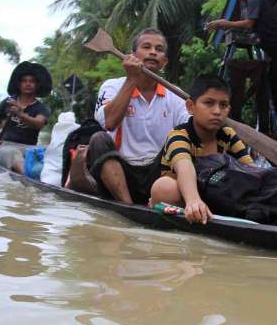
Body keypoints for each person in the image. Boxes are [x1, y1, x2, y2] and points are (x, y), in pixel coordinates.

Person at [69, 28, 189, 205]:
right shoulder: (111, 86)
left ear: (164, 61)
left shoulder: (176, 96)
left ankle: (165, 201)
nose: (153, 52)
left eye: (159, 49)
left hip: (159, 173)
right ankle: (127, 205)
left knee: (183, 141)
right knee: (98, 139)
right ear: (132, 55)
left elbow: (192, 129)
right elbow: (109, 123)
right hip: (120, 172)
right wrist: (131, 79)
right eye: (146, 47)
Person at [150, 76, 254, 224]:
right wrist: (193, 200)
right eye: (209, 103)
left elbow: (250, 170)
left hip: (213, 194)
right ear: (190, 106)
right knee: (164, 187)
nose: (217, 111)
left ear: (228, 109)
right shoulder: (179, 136)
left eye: (223, 105)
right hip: (182, 197)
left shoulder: (228, 135)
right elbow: (184, 166)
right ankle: (193, 211)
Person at [206, 0, 277, 123]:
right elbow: (246, 25)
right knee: (274, 88)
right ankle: (274, 127)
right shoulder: (244, 3)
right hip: (275, 50)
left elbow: (248, 24)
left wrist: (223, 23)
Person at [0, 61, 52, 174]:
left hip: (30, 148)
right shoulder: (8, 102)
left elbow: (39, 123)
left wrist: (21, 114)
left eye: (32, 81)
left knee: (46, 155)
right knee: (14, 155)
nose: (28, 84)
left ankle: (40, 175)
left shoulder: (42, 108)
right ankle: (27, 176)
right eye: (24, 81)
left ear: (37, 85)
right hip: (7, 146)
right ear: (19, 84)